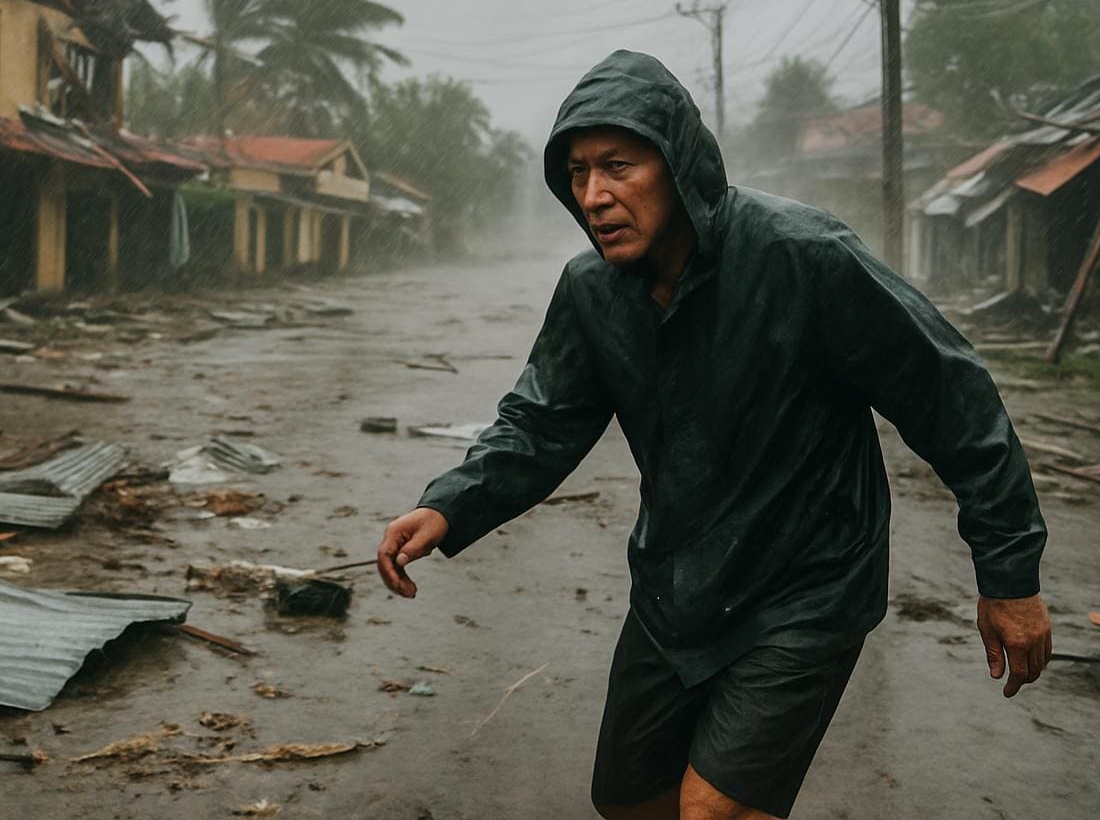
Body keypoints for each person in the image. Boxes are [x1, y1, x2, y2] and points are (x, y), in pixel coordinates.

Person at [376, 50, 1051, 820]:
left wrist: (1010, 575)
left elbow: (952, 396)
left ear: (678, 163)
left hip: (808, 585)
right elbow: (540, 422)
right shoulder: (592, 292)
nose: (594, 196)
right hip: (677, 588)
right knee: (629, 799)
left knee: (712, 812)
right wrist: (451, 505)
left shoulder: (803, 257)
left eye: (618, 166)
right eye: (577, 174)